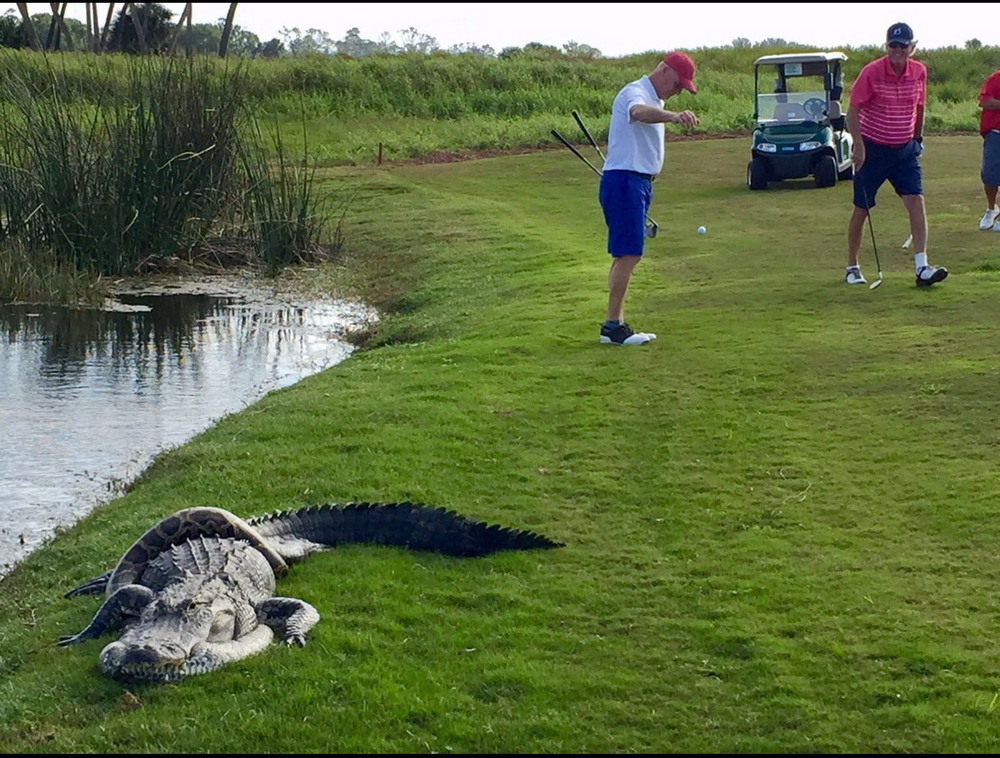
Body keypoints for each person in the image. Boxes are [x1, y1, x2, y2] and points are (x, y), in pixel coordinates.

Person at [598, 51, 699, 346]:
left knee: (625, 254)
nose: (679, 91)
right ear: (664, 71)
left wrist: (668, 111)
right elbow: (637, 113)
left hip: (637, 182)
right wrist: (673, 117)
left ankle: (614, 323)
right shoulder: (636, 92)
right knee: (630, 253)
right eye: (679, 84)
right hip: (626, 180)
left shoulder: (657, 100)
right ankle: (613, 326)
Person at [844, 22, 948, 288]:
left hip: (905, 151)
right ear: (886, 45)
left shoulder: (919, 72)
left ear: (912, 47)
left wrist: (917, 139)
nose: (898, 50)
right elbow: (853, 111)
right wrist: (858, 145)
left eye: (903, 45)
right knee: (862, 208)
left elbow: (920, 106)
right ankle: (852, 266)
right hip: (873, 149)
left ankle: (922, 267)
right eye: (893, 45)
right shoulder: (871, 72)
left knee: (916, 201)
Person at [977, 66, 1000, 231]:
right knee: (989, 174)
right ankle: (991, 209)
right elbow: (985, 101)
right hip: (995, 132)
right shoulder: (996, 78)